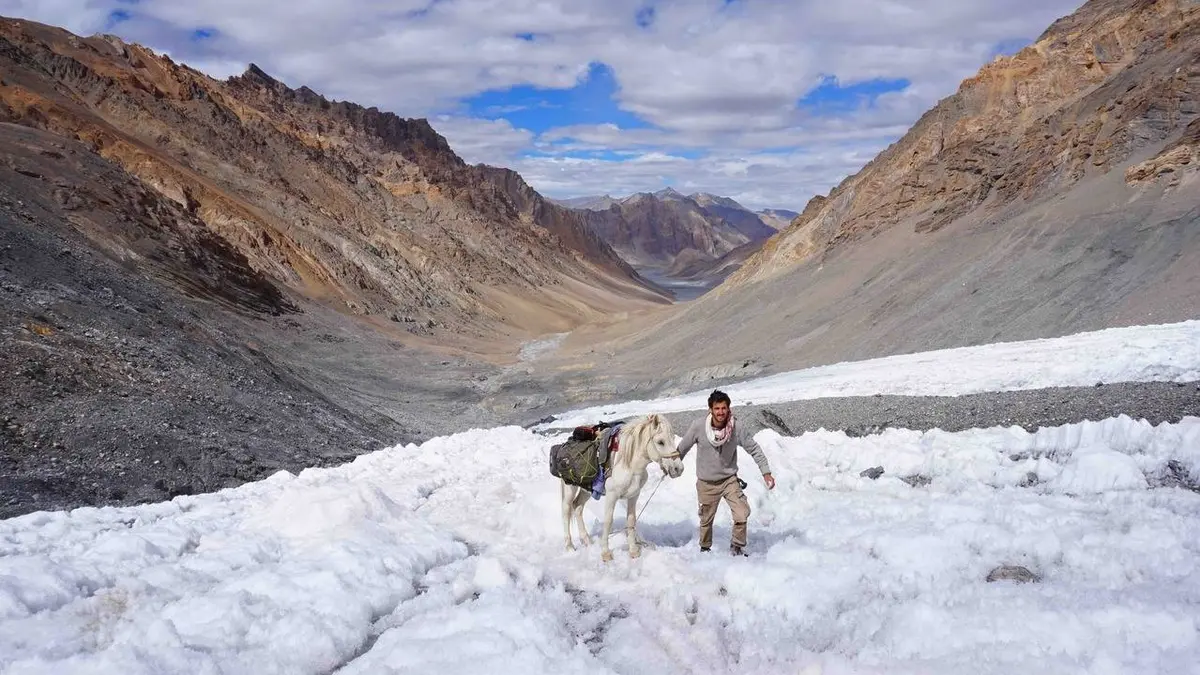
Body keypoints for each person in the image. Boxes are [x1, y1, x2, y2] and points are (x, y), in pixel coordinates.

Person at [676, 389, 775, 556]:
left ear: (729, 408)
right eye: (717, 408)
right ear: (710, 409)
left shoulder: (736, 427)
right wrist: (671, 465)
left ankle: (737, 547)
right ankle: (705, 548)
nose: (720, 412)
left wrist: (766, 472)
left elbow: (754, 449)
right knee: (706, 520)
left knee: (742, 513)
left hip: (729, 480)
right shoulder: (698, 426)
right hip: (706, 482)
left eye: (724, 408)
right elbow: (682, 448)